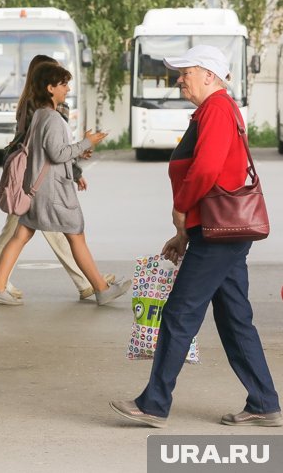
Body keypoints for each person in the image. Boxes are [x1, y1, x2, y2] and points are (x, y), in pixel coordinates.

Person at [110, 45, 282, 428]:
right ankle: (265, 402)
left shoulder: (217, 109)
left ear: (208, 74)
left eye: (184, 72)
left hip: (217, 233)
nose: (178, 80)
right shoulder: (213, 109)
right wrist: (185, 232)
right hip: (217, 230)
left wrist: (182, 211)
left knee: (180, 312)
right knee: (235, 318)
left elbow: (206, 170)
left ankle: (154, 404)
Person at [0, 63, 129, 308]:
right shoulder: (52, 118)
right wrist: (86, 142)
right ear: (50, 88)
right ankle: (100, 288)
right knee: (76, 235)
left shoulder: (40, 113)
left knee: (21, 235)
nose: (67, 88)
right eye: (63, 84)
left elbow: (49, 151)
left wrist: (77, 150)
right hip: (54, 193)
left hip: (38, 188)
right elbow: (57, 153)